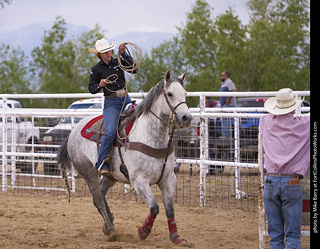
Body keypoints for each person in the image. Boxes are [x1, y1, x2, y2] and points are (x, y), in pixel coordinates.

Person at [259, 88, 310, 249]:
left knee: (275, 235)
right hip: (291, 181)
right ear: (293, 107)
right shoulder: (305, 125)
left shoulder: (265, 122)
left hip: (271, 180)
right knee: (293, 234)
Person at [88, 38, 137, 176]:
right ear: (100, 54)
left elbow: (134, 69)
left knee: (141, 118)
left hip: (125, 99)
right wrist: (100, 85)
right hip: (112, 103)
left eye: (108, 50)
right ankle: (103, 161)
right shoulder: (96, 69)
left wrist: (124, 54)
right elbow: (91, 88)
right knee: (110, 131)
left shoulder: (118, 61)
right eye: (104, 52)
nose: (107, 53)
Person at [219, 71, 237, 138]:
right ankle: (226, 134)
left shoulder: (229, 82)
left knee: (225, 120)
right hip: (225, 104)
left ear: (226, 76)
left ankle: (226, 135)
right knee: (225, 120)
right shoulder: (224, 83)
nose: (221, 77)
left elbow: (234, 91)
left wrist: (228, 99)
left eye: (222, 75)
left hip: (229, 104)